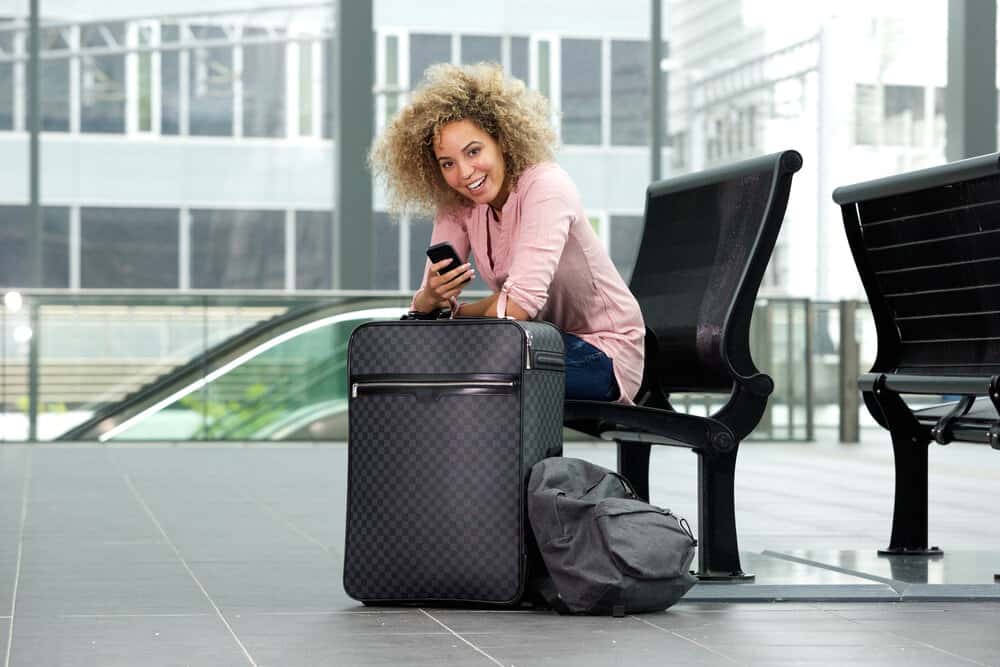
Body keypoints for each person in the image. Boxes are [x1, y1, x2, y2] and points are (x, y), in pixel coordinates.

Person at [369, 62, 644, 404]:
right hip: (529, 343)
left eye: (473, 151)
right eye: (447, 163)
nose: (465, 173)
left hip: (601, 353)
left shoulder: (545, 187)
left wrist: (462, 314)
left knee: (471, 368)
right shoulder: (458, 203)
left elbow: (516, 309)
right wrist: (431, 297)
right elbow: (432, 314)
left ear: (500, 139)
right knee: (433, 361)